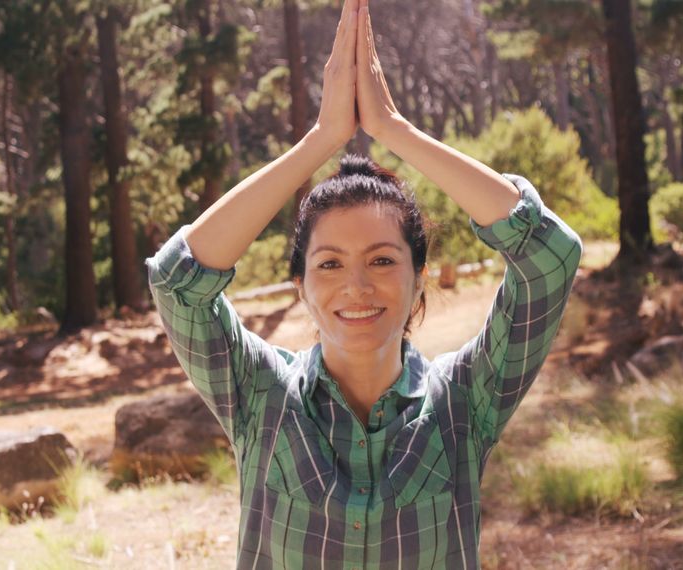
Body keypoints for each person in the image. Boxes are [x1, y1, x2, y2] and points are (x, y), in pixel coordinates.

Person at [146, 0, 583, 567]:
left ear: (419, 279)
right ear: (300, 286)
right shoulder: (259, 395)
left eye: (381, 261)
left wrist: (393, 130)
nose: (355, 286)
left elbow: (549, 256)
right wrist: (320, 140)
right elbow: (178, 282)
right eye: (328, 264)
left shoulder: (465, 402)